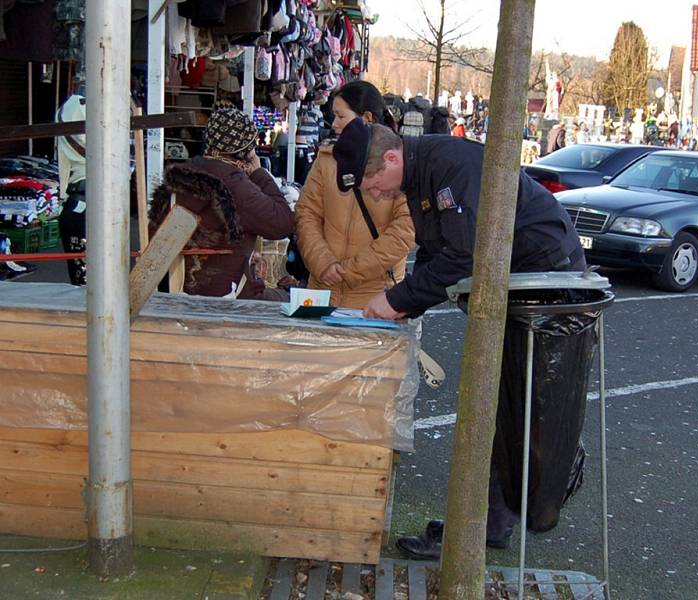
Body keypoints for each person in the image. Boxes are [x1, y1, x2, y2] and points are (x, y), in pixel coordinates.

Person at [332, 119, 586, 557]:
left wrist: (396, 299)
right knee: (500, 406)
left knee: (519, 409)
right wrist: (405, 304)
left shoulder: (449, 166)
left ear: (392, 159)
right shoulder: (421, 170)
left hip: (546, 291)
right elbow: (435, 250)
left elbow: (462, 255)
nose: (373, 194)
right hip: (522, 286)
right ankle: (488, 522)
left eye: (372, 183)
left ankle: (490, 520)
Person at [149, 107, 294, 300]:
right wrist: (259, 173)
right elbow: (282, 223)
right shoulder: (233, 184)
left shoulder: (181, 175)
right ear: (247, 150)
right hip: (227, 297)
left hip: (173, 291)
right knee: (289, 300)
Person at [294, 80, 415, 308]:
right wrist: (323, 263)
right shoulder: (327, 158)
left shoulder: (398, 164)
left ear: (366, 118)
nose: (335, 124)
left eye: (341, 116)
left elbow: (404, 231)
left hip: (376, 296)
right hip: (322, 290)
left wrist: (349, 271)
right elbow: (307, 213)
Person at [56, 94, 88, 286]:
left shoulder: (69, 111)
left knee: (82, 274)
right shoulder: (75, 111)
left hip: (78, 198)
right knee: (83, 275)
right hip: (82, 195)